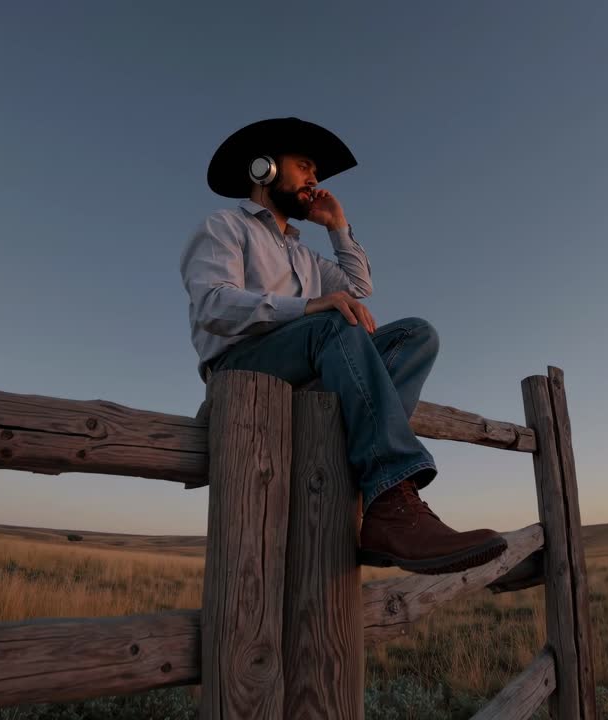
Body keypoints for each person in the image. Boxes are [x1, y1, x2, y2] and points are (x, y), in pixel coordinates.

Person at [180, 117, 506, 575]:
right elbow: (213, 304)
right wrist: (311, 308)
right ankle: (391, 498)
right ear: (265, 169)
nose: (314, 179)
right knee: (335, 320)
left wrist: (337, 225)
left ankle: (358, 460)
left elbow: (358, 285)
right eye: (305, 166)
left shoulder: (303, 255)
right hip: (241, 371)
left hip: (306, 372)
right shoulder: (224, 227)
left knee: (417, 334)